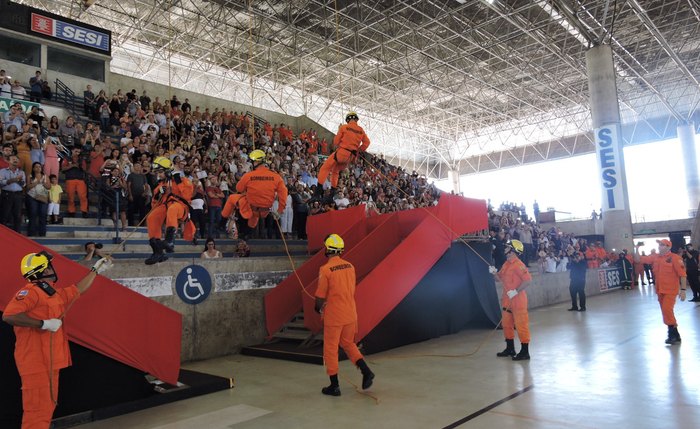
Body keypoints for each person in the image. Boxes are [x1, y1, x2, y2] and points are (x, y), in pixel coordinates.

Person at [2, 250, 111, 429]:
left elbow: (78, 290)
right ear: (43, 270)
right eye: (49, 266)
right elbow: (9, 315)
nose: (52, 268)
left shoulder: (51, 293)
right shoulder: (29, 292)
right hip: (35, 363)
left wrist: (96, 270)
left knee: (46, 408)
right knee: (36, 411)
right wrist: (43, 323)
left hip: (50, 362)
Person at [315, 234, 374, 396]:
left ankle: (334, 386)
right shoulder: (350, 266)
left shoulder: (325, 269)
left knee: (331, 350)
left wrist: (317, 308)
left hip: (334, 315)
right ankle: (366, 371)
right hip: (350, 313)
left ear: (328, 249)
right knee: (348, 344)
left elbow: (320, 297)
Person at [634, 239, 687, 345]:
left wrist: (683, 290)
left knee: (667, 310)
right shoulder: (655, 257)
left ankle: (672, 333)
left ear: (668, 247)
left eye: (662, 245)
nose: (659, 247)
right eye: (659, 245)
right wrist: (636, 248)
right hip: (660, 290)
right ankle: (675, 334)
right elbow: (638, 260)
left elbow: (682, 275)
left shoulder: (675, 258)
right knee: (665, 312)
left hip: (670, 290)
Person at [145, 156, 195, 265]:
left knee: (172, 209)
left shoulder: (182, 180)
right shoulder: (161, 185)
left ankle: (169, 241)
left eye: (160, 172)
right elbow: (155, 203)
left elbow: (187, 196)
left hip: (181, 207)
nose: (159, 174)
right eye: (158, 172)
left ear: (167, 171)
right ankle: (157, 252)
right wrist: (158, 194)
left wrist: (177, 181)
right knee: (151, 217)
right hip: (166, 206)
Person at [490, 239, 533, 360]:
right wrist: (494, 273)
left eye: (508, 247)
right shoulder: (506, 264)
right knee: (507, 324)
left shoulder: (519, 265)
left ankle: (525, 352)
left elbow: (528, 280)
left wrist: (516, 291)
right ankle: (510, 348)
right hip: (507, 300)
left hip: (518, 300)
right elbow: (499, 279)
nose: (505, 248)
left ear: (513, 250)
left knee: (521, 325)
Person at [234, 150, 287, 237]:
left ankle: (244, 235)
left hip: (251, 209)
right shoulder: (276, 176)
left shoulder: (248, 175)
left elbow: (239, 188)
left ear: (257, 162)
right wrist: (280, 210)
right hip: (266, 210)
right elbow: (283, 194)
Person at [316, 112, 370, 193]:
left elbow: (336, 142)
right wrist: (358, 150)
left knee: (325, 167)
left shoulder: (344, 127)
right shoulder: (361, 130)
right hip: (350, 157)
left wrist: (339, 130)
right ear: (356, 119)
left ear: (348, 120)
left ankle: (318, 189)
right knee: (336, 171)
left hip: (341, 153)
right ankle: (333, 191)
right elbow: (367, 143)